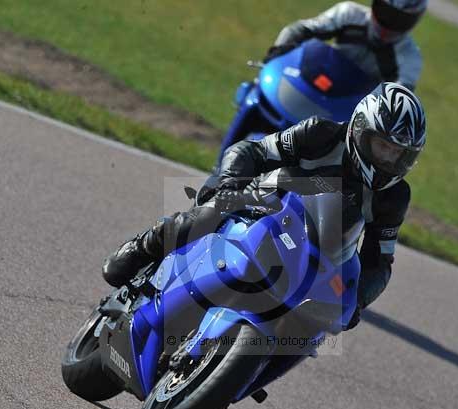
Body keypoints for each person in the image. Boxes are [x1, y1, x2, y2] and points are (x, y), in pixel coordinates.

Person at [102, 82, 426, 329]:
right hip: (266, 204)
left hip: (320, 251)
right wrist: (230, 185)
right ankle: (143, 246)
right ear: (359, 128)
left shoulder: (395, 195)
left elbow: (379, 262)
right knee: (211, 212)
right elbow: (253, 152)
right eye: (381, 146)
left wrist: (359, 301)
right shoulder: (320, 134)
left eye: (397, 154)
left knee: (326, 319)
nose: (387, 159)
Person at [264, 0, 427, 89]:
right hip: (315, 85)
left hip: (349, 118)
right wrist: (275, 54)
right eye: (385, 12)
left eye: (399, 19)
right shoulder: (349, 13)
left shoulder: (410, 57)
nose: (388, 25)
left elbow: (400, 97)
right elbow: (300, 30)